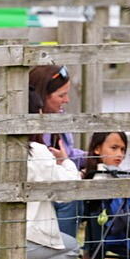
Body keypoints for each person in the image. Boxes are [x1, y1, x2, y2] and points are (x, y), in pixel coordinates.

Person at [0, 90, 82, 259]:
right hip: (13, 240)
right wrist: (65, 161)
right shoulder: (36, 151)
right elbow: (68, 190)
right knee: (72, 248)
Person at [28, 64, 87, 238]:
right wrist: (69, 165)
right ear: (41, 96)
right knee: (70, 198)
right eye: (61, 95)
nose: (67, 100)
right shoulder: (26, 131)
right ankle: (62, 250)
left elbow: (66, 154)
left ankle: (92, 254)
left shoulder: (59, 119)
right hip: (36, 195)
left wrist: (95, 157)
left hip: (59, 181)